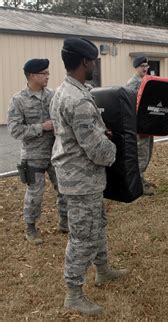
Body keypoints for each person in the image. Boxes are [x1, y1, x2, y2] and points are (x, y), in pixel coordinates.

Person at [50, 37, 128, 315]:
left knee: (98, 225)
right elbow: (98, 152)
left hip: (81, 176)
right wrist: (120, 150)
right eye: (93, 60)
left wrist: (99, 133)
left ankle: (103, 269)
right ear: (85, 62)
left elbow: (78, 134)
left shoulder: (65, 91)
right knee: (83, 235)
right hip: (80, 180)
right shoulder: (78, 99)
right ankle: (73, 293)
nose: (95, 64)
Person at [7, 58, 68, 245]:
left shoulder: (52, 96)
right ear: (33, 75)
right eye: (45, 73)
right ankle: (31, 228)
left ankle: (65, 222)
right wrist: (41, 127)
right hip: (34, 156)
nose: (48, 76)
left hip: (56, 153)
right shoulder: (18, 100)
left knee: (64, 189)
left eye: (48, 73)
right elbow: (15, 130)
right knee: (35, 194)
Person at [126, 56, 155, 195]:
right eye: (142, 66)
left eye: (146, 66)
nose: (145, 68)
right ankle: (138, 186)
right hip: (138, 125)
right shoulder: (133, 83)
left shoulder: (146, 81)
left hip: (148, 123)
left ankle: (141, 179)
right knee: (141, 155)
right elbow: (130, 106)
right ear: (136, 67)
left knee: (147, 153)